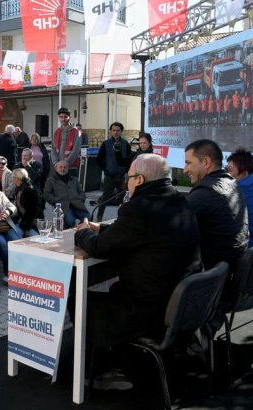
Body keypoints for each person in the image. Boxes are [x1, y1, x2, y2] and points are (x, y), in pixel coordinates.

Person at [72, 154, 201, 387]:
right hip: (180, 302)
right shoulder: (181, 200)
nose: (127, 182)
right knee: (112, 288)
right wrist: (102, 228)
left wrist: (83, 232)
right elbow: (142, 232)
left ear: (139, 180)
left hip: (147, 308)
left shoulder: (138, 208)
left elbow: (98, 248)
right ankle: (119, 355)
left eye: (129, 178)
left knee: (78, 300)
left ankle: (106, 369)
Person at [184, 139, 248, 271]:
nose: (185, 169)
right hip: (231, 270)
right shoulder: (232, 185)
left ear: (206, 162)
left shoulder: (205, 192)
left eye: (188, 163)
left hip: (212, 276)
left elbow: (172, 227)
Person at [95, 122, 131, 222]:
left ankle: (123, 219)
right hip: (109, 177)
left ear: (121, 132)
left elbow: (129, 160)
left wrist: (126, 172)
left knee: (123, 199)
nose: (116, 132)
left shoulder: (126, 144)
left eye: (118, 130)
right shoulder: (106, 144)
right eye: (114, 130)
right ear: (111, 131)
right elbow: (98, 159)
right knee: (105, 198)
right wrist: (106, 169)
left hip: (122, 177)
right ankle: (99, 218)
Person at [43, 161, 89, 228]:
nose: (63, 169)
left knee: (88, 218)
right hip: (63, 206)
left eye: (65, 167)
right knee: (70, 221)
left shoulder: (74, 179)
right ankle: (71, 229)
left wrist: (81, 199)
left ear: (68, 168)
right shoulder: (51, 180)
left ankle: (78, 228)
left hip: (77, 205)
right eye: (60, 167)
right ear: (56, 168)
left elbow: (81, 192)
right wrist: (55, 201)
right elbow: (46, 194)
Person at [51, 107, 81, 176]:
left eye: (65, 117)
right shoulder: (56, 132)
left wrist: (65, 164)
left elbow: (76, 150)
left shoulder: (76, 132)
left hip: (71, 167)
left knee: (71, 183)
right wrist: (56, 163)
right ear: (59, 118)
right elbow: (53, 149)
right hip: (58, 167)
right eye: (61, 117)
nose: (63, 119)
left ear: (69, 117)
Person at [11, 168, 39, 237]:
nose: (11, 178)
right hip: (21, 221)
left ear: (18, 178)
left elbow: (32, 212)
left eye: (13, 177)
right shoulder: (18, 188)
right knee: (12, 234)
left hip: (30, 223)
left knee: (34, 238)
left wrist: (26, 228)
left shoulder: (30, 190)